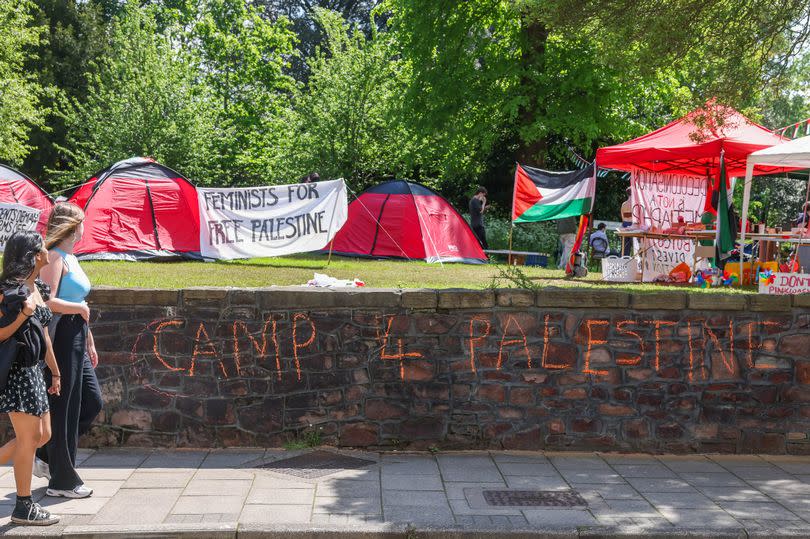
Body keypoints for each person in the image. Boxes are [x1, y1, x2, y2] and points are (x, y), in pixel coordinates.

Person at [34, 202, 102, 499]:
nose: (85, 228)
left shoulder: (72, 257)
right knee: (65, 409)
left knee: (90, 401)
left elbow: (79, 307)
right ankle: (62, 480)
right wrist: (81, 308)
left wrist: (89, 337)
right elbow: (46, 303)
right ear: (73, 227)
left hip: (77, 334)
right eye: (82, 223)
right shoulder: (54, 257)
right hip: (61, 338)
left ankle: (47, 454)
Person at [0, 231, 61, 525]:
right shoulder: (8, 293)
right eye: (43, 248)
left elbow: (44, 336)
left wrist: (55, 370)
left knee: (42, 435)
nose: (48, 252)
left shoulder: (37, 287)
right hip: (16, 372)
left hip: (34, 370)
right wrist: (22, 316)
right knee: (28, 438)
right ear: (33, 256)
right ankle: (23, 506)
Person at [620, 187, 633, 255]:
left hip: (625, 224)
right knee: (634, 246)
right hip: (632, 225)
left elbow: (622, 216)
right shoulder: (634, 204)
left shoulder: (624, 204)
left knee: (625, 247)